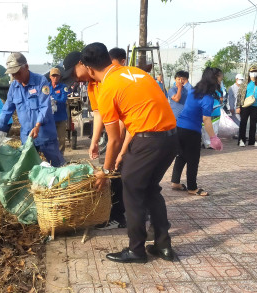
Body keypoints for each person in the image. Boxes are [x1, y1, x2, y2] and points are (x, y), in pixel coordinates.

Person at [81, 42, 177, 263]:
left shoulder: (107, 88)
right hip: (172, 138)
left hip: (148, 141)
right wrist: (123, 153)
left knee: (131, 192)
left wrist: (105, 171)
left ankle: (136, 250)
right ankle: (163, 245)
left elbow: (114, 139)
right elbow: (140, 116)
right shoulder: (137, 72)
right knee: (151, 189)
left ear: (88, 68)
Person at [62, 51, 126, 229]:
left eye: (75, 74)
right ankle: (119, 213)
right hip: (117, 134)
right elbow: (98, 114)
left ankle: (122, 216)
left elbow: (122, 120)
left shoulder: (109, 80)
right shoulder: (92, 86)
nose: (75, 79)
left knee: (122, 174)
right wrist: (94, 140)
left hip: (130, 133)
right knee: (115, 173)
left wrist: (118, 149)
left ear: (83, 64)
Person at [0, 52, 65, 167]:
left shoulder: (40, 81)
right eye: (13, 74)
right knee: (29, 168)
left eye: (18, 73)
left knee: (57, 166)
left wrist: (37, 125)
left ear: (26, 67)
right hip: (27, 136)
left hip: (44, 133)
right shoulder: (14, 86)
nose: (15, 77)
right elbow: (7, 110)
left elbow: (45, 106)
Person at [171, 67, 224, 197]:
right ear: (214, 79)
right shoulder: (207, 98)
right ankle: (192, 188)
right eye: (219, 78)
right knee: (193, 159)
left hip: (180, 126)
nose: (220, 80)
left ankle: (175, 182)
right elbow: (206, 119)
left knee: (182, 155)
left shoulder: (193, 91)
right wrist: (213, 138)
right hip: (191, 131)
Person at [237, 65, 257, 147]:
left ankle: (252, 141)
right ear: (249, 73)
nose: (253, 73)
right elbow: (239, 95)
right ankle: (241, 140)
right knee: (243, 123)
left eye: (255, 72)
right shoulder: (245, 83)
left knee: (253, 124)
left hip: (256, 105)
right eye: (252, 72)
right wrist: (238, 106)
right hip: (245, 105)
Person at [48, 68, 69, 154]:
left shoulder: (63, 87)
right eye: (53, 76)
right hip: (50, 118)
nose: (55, 78)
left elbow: (64, 99)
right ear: (50, 76)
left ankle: (61, 156)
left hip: (61, 117)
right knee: (50, 138)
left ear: (60, 77)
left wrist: (54, 100)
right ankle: (52, 156)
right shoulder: (46, 87)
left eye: (57, 76)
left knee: (61, 139)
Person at [201, 68, 223, 149]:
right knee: (205, 128)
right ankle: (206, 143)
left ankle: (212, 143)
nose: (221, 78)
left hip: (216, 111)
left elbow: (221, 97)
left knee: (215, 128)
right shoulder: (205, 89)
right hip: (207, 112)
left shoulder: (219, 88)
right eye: (220, 76)